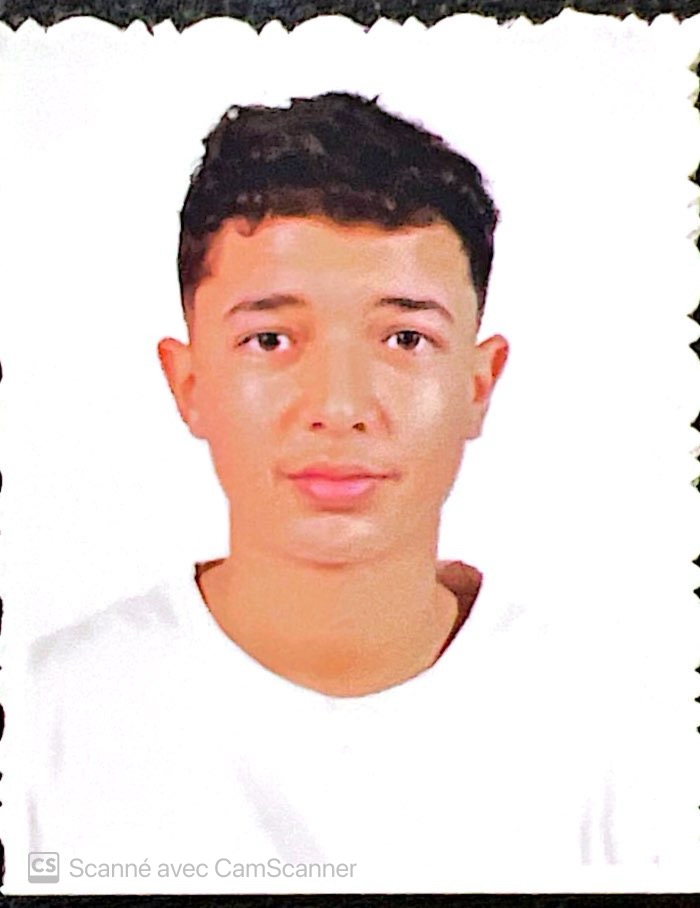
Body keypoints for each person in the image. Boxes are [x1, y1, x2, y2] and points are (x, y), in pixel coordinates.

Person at [20, 93, 663, 894]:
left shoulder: (623, 731)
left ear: (478, 384)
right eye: (269, 339)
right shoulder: (40, 720)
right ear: (188, 385)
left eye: (405, 338)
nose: (339, 405)